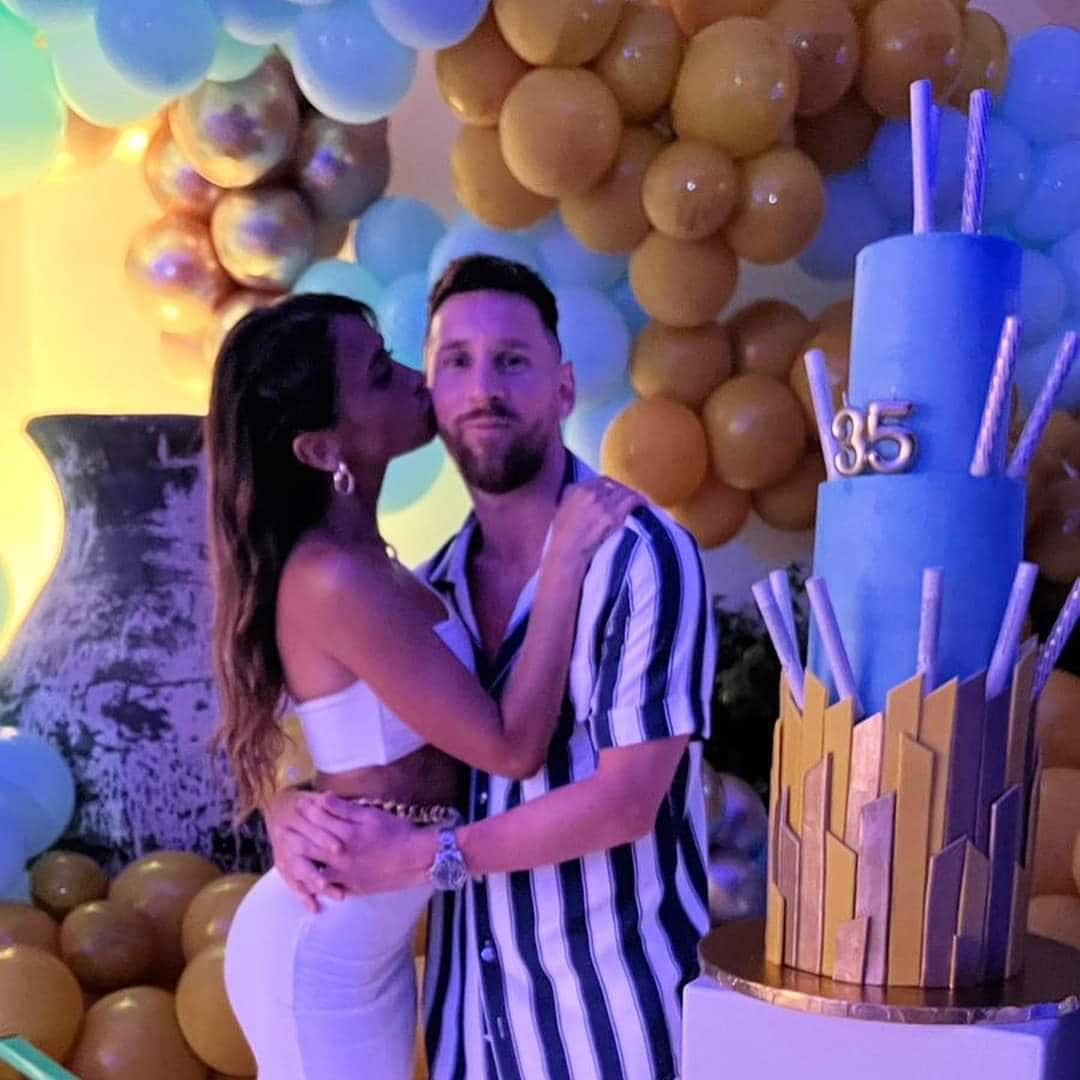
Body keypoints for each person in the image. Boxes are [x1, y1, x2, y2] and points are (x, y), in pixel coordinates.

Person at [266, 256, 717, 1080]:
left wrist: (424, 856)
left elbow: (625, 802)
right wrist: (287, 810)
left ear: (565, 387)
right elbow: (348, 747)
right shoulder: (425, 591)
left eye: (512, 360)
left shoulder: (642, 558)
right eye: (456, 363)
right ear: (431, 396)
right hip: (469, 1035)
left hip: (613, 1029)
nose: (483, 388)